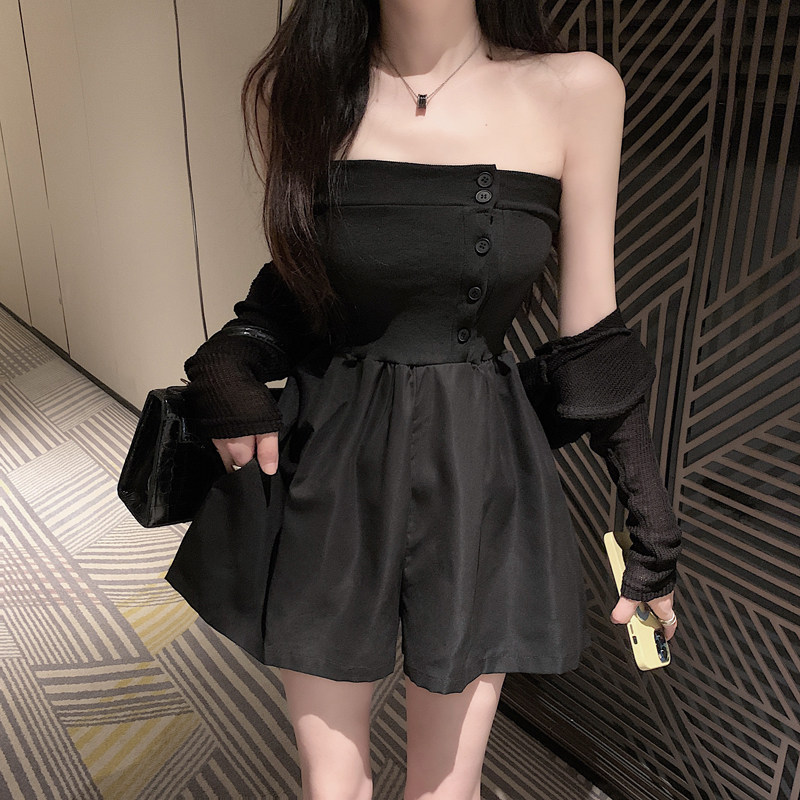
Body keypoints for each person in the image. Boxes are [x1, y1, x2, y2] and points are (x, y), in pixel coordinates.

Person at [167, 1, 683, 798]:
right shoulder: (303, 88)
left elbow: (591, 338)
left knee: (446, 788)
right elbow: (297, 289)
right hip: (331, 461)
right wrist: (229, 360)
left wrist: (651, 517)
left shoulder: (578, 89)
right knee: (332, 784)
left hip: (476, 470)